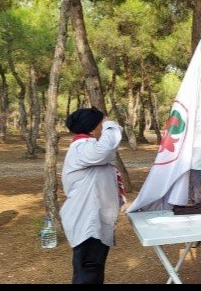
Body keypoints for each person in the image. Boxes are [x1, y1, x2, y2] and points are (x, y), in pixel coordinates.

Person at [60, 107, 123, 284]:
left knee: (93, 269)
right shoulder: (83, 147)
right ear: (92, 128)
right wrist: (111, 125)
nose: (104, 127)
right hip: (87, 220)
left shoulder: (87, 147)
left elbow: (108, 151)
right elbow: (105, 149)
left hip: (92, 218)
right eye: (101, 124)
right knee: (88, 270)